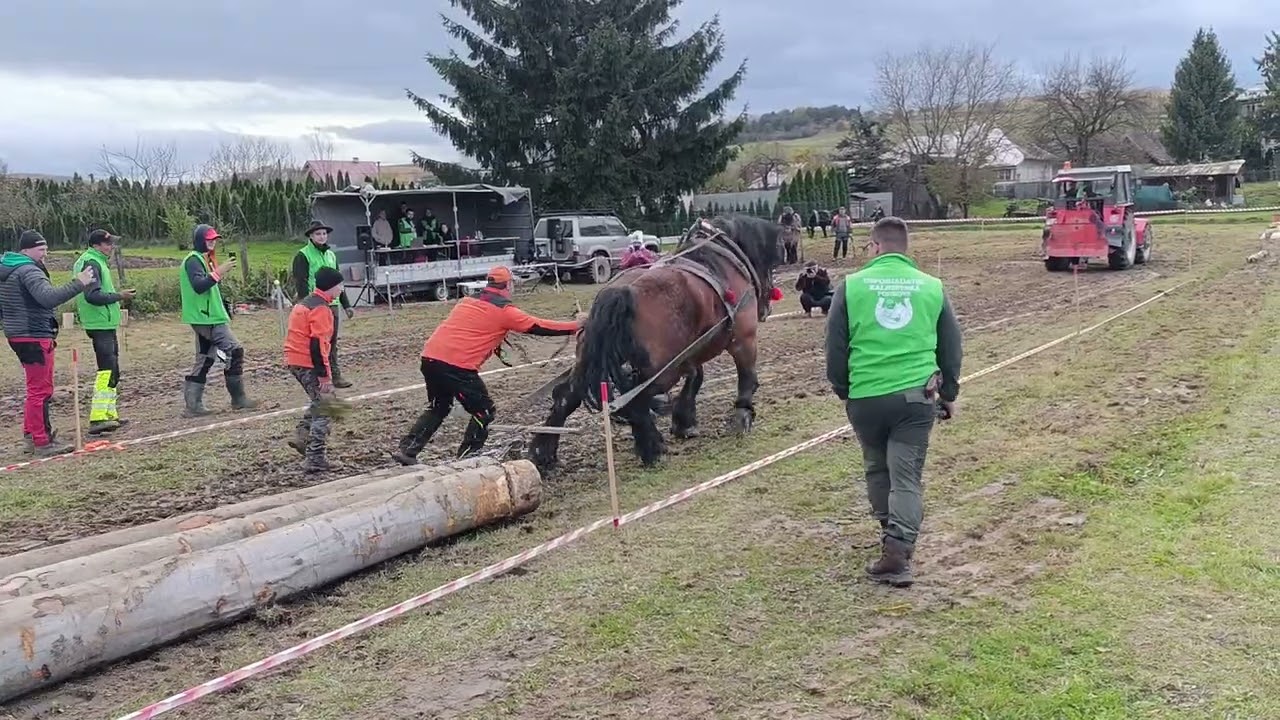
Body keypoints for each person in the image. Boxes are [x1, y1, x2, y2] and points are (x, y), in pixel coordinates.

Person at [824, 216, 963, 588]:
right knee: (906, 474)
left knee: (876, 466)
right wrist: (949, 392)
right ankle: (897, 551)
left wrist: (844, 390)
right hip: (915, 398)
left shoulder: (850, 287)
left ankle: (891, 534)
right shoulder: (932, 286)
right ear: (905, 248)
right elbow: (951, 345)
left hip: (866, 397)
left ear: (875, 246)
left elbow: (834, 349)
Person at [391, 266, 583, 465]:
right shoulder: (505, 313)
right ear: (508, 286)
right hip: (457, 367)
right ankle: (468, 457)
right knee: (484, 411)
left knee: (438, 406)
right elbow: (539, 326)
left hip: (430, 358)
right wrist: (578, 325)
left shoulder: (466, 302)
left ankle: (408, 450)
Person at [0, 230, 93, 456]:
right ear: (26, 250)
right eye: (41, 249)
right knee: (41, 390)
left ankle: (32, 435)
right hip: (34, 335)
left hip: (18, 334)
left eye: (46, 249)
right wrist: (79, 283)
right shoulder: (28, 270)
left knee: (35, 388)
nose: (45, 254)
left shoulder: (8, 269)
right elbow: (48, 298)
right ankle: (43, 442)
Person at [179, 224, 259, 417]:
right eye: (209, 239)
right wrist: (219, 272)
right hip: (206, 318)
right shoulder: (193, 260)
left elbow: (208, 289)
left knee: (205, 359)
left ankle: (193, 406)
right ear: (200, 240)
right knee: (235, 350)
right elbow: (199, 286)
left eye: (214, 239)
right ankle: (238, 399)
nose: (213, 242)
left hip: (207, 316)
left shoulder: (203, 260)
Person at [73, 229, 137, 434]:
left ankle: (109, 415)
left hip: (104, 323)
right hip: (99, 324)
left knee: (112, 370)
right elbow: (93, 295)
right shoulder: (91, 262)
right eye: (108, 244)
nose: (111, 248)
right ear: (97, 245)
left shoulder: (96, 261)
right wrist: (119, 296)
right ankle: (99, 418)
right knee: (107, 371)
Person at [283, 266, 346, 474]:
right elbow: (319, 346)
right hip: (309, 363)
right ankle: (315, 457)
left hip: (294, 360)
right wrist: (325, 376)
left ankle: (301, 436)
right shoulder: (321, 310)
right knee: (327, 406)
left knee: (322, 401)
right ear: (331, 287)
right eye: (340, 285)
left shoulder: (303, 304)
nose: (342, 289)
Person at [291, 220, 355, 388]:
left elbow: (338, 282)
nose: (322, 237)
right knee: (317, 343)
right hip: (314, 305)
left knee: (332, 342)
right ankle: (317, 376)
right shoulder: (303, 255)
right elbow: (301, 282)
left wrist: (346, 304)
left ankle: (335, 375)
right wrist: (307, 305)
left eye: (324, 234)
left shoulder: (331, 255)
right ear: (311, 236)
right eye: (318, 234)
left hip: (332, 304)